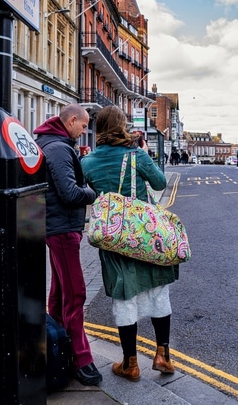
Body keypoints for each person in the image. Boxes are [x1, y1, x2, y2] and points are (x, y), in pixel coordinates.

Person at [81, 106, 178, 382]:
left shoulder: (88, 162)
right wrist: (143, 151)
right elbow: (160, 183)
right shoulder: (136, 155)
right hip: (145, 235)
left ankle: (130, 363)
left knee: (124, 295)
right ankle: (163, 355)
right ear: (122, 126)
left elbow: (86, 192)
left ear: (99, 129)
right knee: (158, 291)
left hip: (113, 238)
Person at [33, 104, 102, 386]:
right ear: (71, 121)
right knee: (76, 293)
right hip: (62, 229)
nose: (84, 131)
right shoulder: (60, 148)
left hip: (57, 226)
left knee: (60, 291)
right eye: (83, 126)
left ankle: (60, 345)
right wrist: (93, 193)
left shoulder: (50, 142)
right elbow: (71, 192)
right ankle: (81, 359)